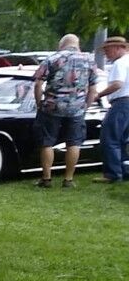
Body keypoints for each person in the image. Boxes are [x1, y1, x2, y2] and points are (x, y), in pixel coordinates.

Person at [32, 34, 100, 188]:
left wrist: (39, 104)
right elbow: (93, 89)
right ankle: (68, 179)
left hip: (52, 107)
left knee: (47, 142)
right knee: (74, 143)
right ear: (78, 44)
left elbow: (38, 84)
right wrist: (85, 107)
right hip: (76, 109)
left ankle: (46, 178)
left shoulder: (52, 59)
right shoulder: (90, 61)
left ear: (61, 44)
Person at [98, 35, 129, 183]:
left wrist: (100, 94)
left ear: (117, 48)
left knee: (109, 137)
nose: (106, 53)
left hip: (122, 102)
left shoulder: (120, 64)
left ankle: (113, 173)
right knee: (123, 139)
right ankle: (124, 169)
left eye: (107, 50)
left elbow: (117, 84)